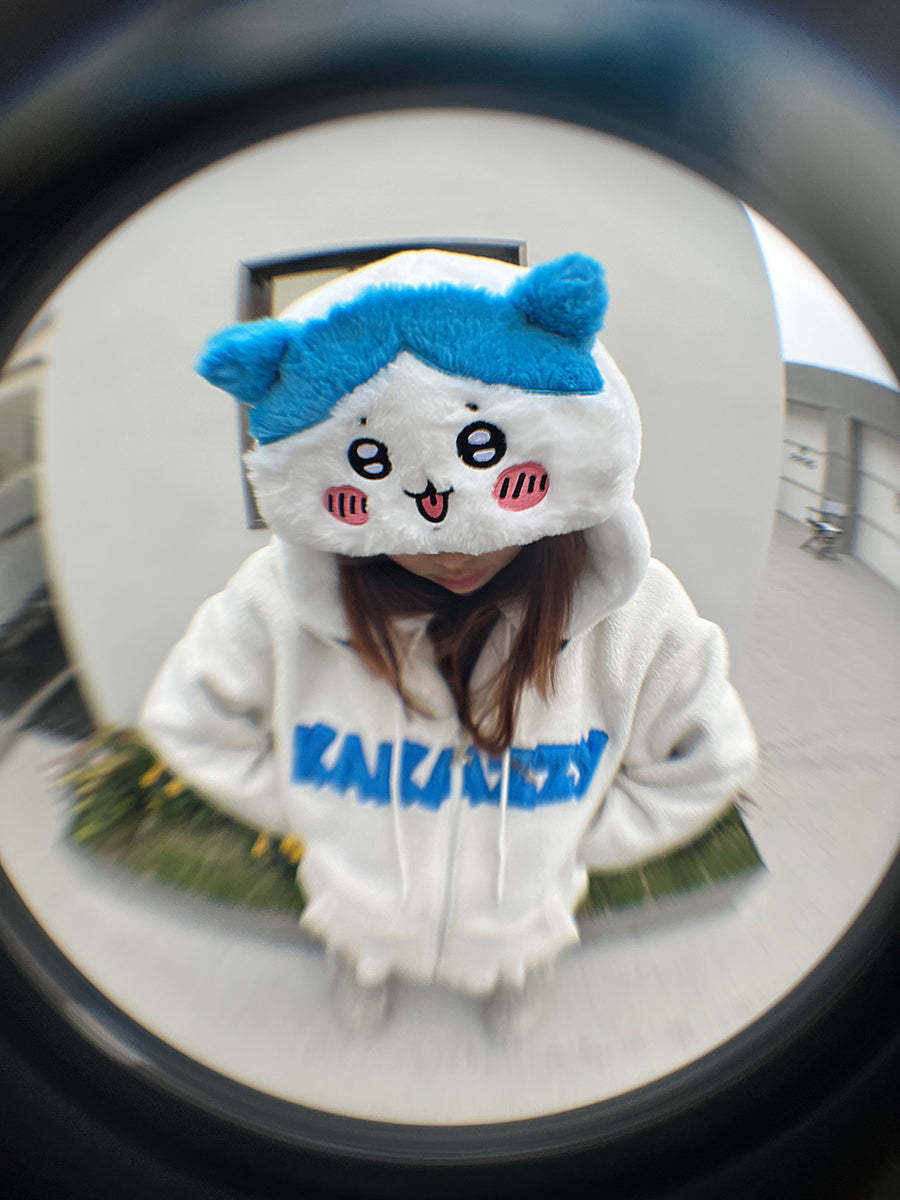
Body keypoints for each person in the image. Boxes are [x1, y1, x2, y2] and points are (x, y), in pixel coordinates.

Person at [140, 249, 756, 1034]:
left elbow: (711, 759)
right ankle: (361, 969)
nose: (452, 549)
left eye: (482, 507)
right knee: (358, 949)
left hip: (525, 919)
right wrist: (315, 817)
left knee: (519, 961)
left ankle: (518, 977)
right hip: (355, 911)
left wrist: (579, 846)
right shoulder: (276, 602)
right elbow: (187, 720)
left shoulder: (638, 617)